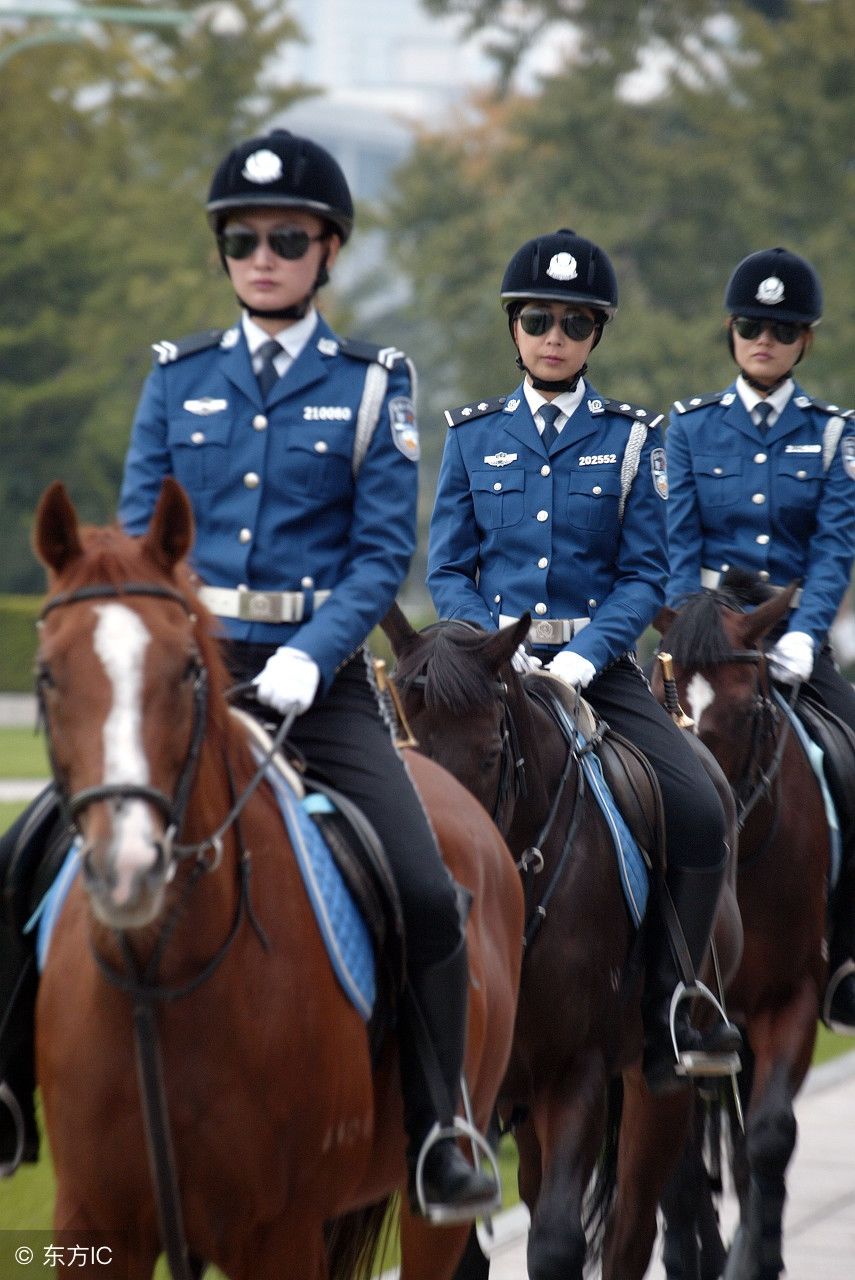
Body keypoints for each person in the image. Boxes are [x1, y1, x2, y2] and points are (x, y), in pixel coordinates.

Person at [0, 129, 498, 1221]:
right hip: (184, 668)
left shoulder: (376, 384)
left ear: (328, 251)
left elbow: (380, 556)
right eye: (242, 239)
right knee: (26, 850)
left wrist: (311, 666)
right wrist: (182, 649)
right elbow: (137, 540)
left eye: (285, 238)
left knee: (423, 887)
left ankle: (439, 1126)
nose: (261, 256)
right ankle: (9, 1096)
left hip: (317, 684)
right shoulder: (178, 378)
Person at [427, 227, 741, 1093]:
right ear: (513, 327)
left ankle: (673, 1002)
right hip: (490, 670)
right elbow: (447, 567)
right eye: (537, 318)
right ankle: (420, 1014)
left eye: (574, 321)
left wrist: (580, 658)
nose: (554, 334)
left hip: (596, 674)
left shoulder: (631, 438)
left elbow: (647, 576)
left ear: (595, 334)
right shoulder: (469, 436)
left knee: (698, 808)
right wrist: (493, 645)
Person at [666, 246, 855, 1034]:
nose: (763, 341)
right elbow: (676, 552)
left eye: (779, 330)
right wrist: (695, 635)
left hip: (790, 643)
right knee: (636, 769)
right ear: (731, 332)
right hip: (710, 644)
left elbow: (834, 546)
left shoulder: (832, 433)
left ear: (802, 341)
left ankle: (842, 954)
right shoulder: (687, 428)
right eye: (750, 326)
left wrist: (806, 635)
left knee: (851, 755)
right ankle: (651, 959)